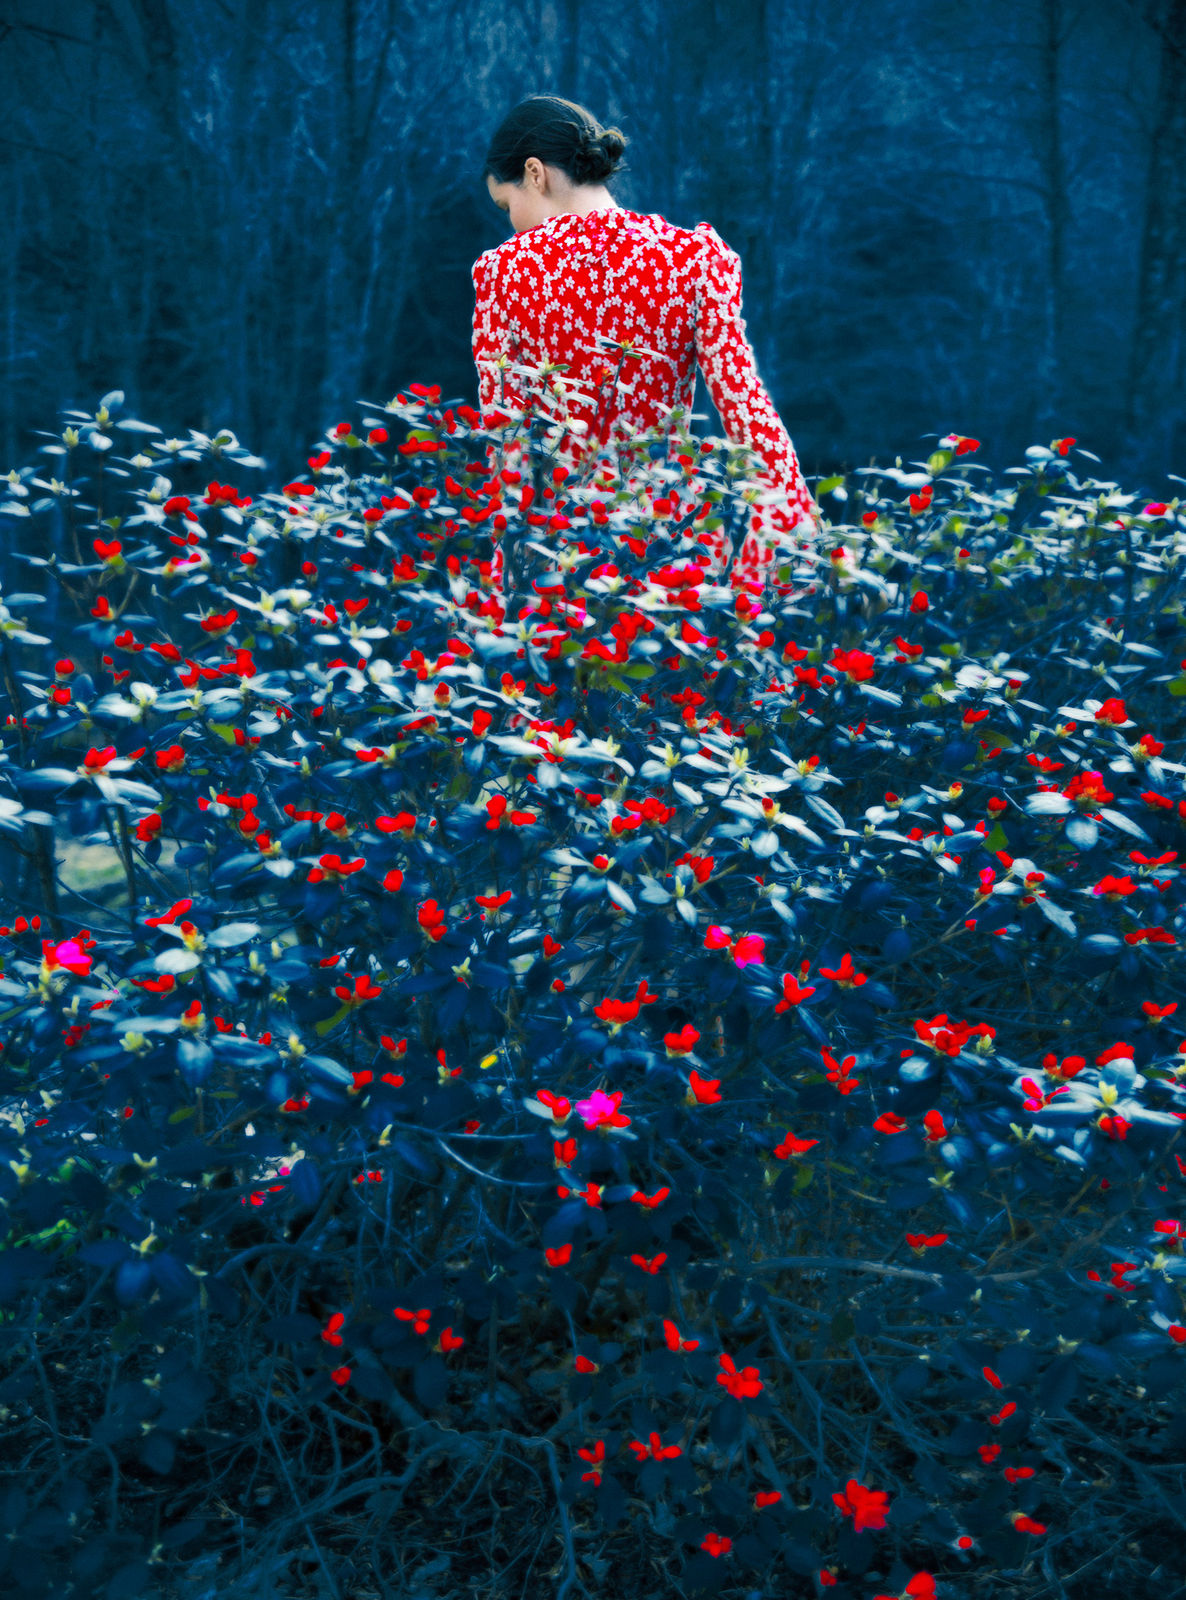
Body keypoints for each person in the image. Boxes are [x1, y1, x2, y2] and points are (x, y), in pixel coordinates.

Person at [471, 94, 822, 595]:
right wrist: (804, 540)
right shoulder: (692, 260)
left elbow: (506, 441)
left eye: (507, 205)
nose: (511, 221)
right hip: (666, 553)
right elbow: (746, 409)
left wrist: (503, 582)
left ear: (535, 173)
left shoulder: (505, 271)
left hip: (555, 562)